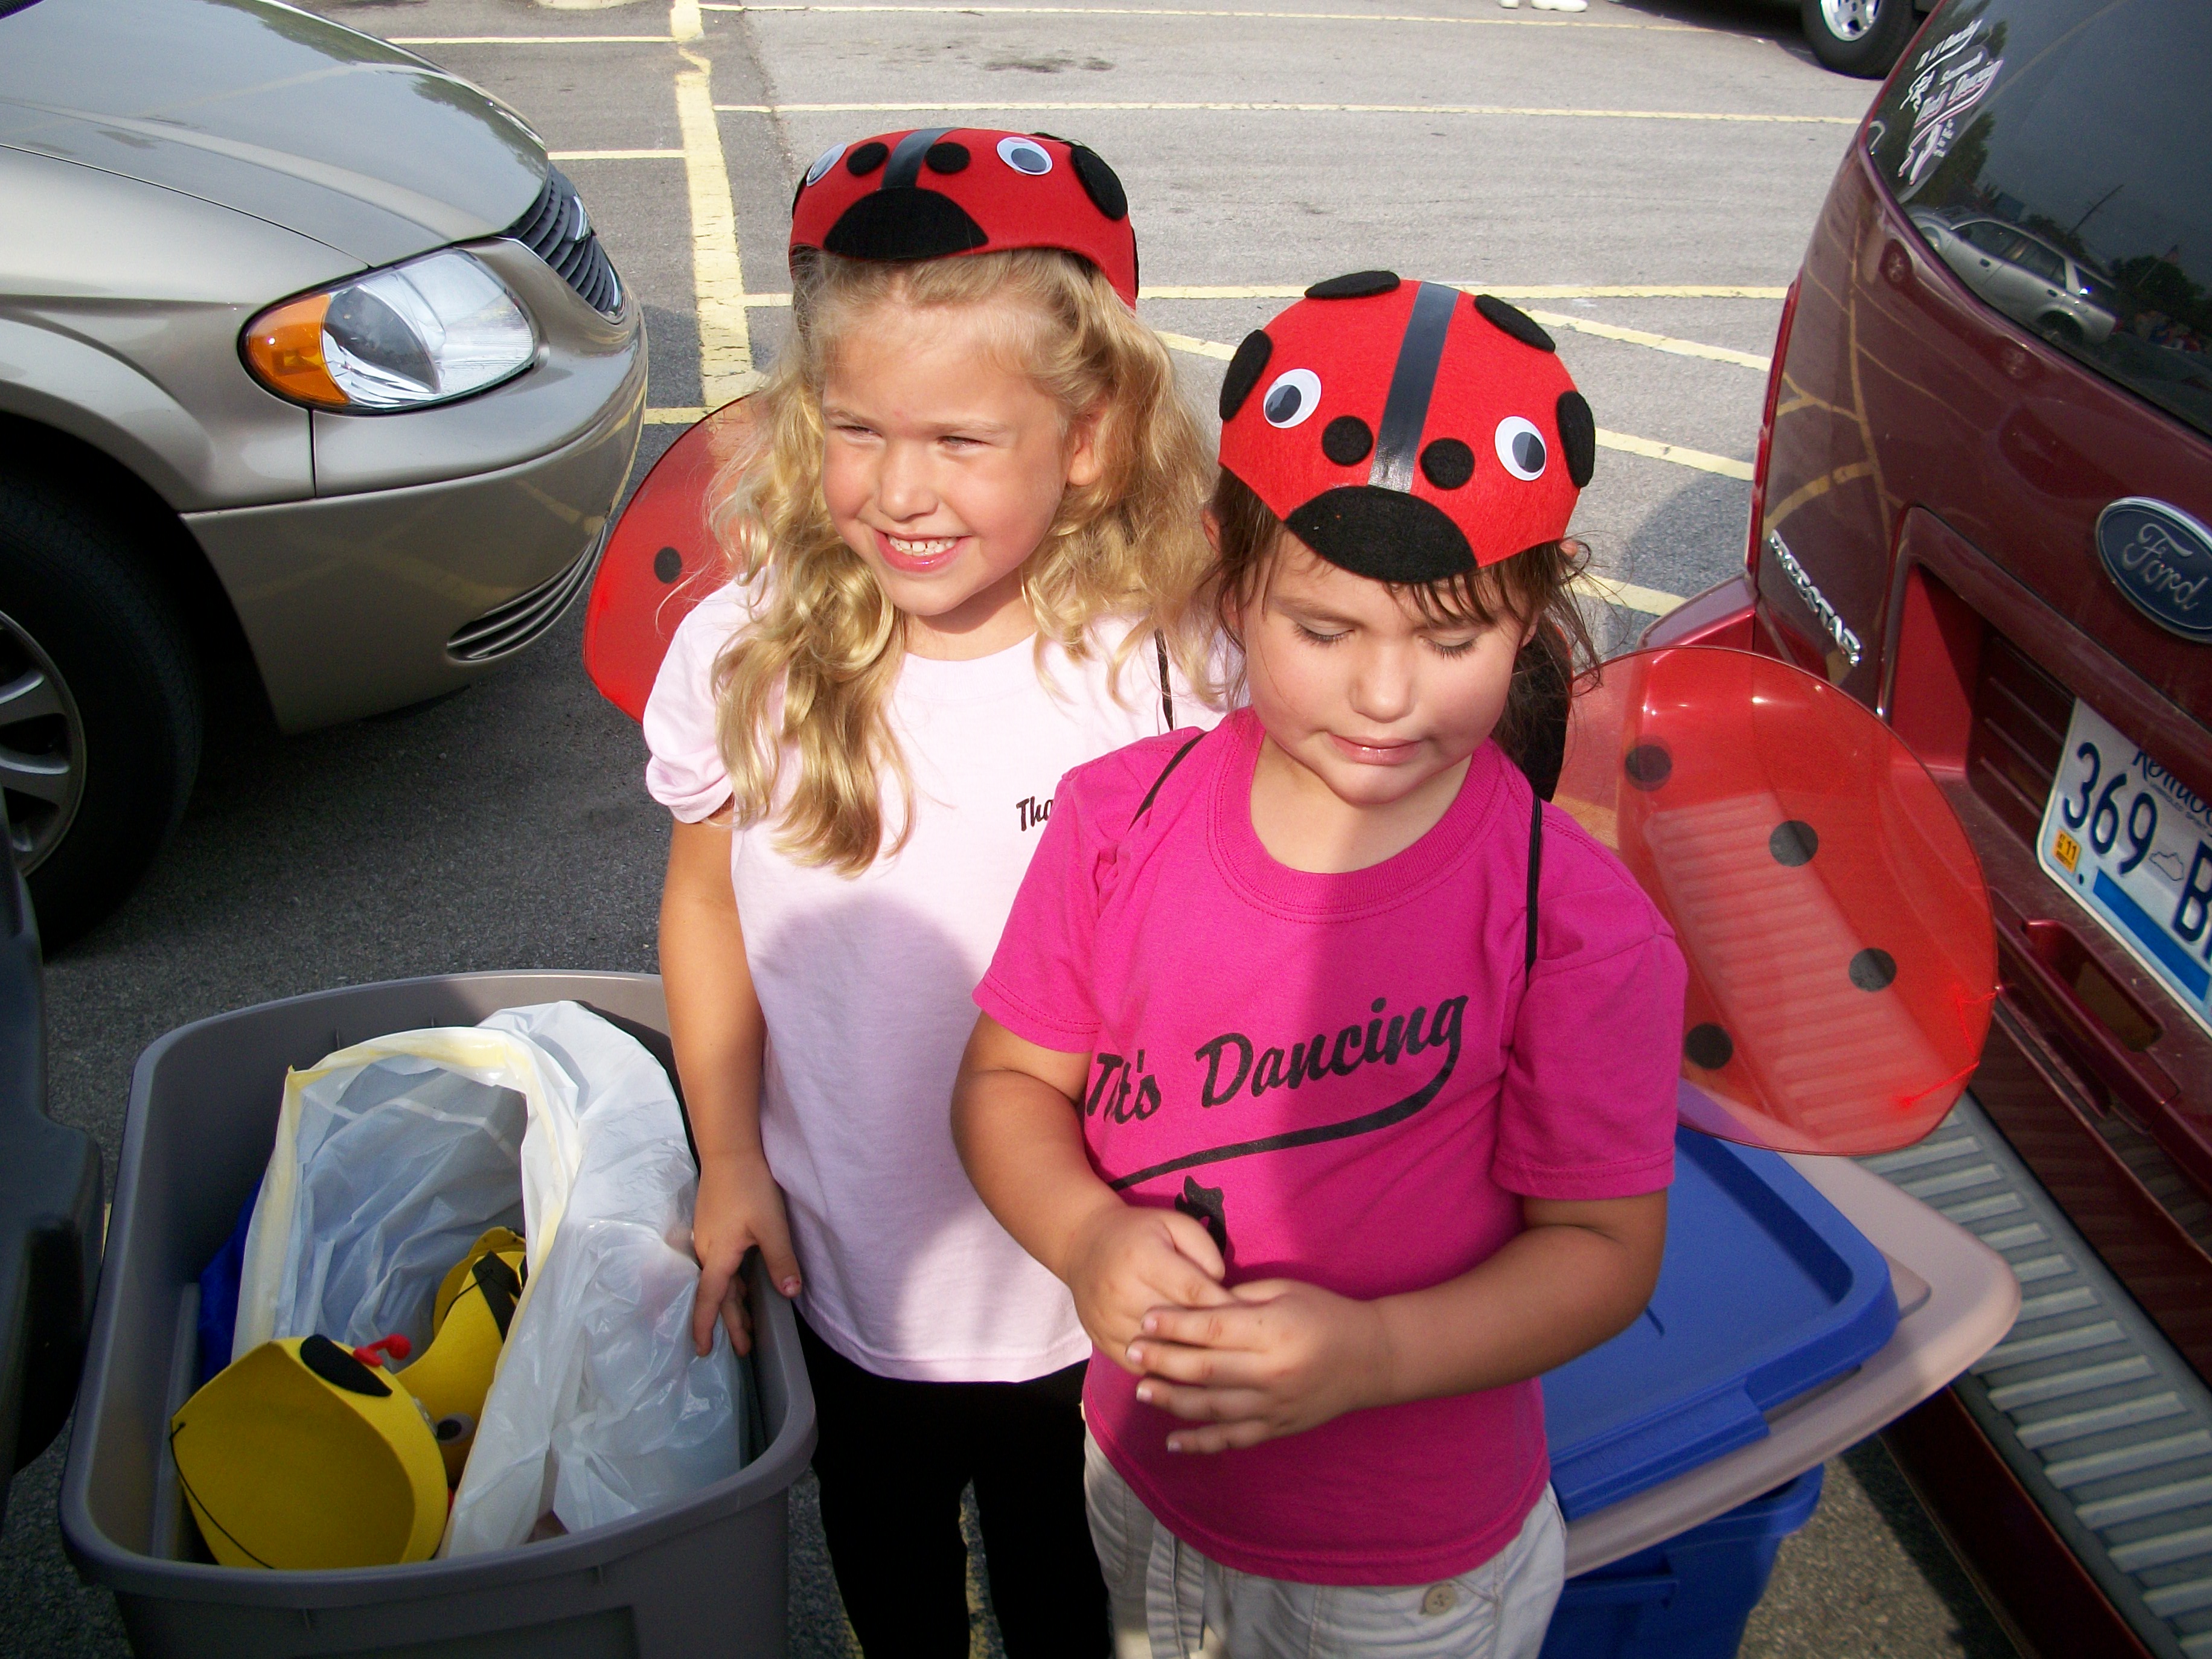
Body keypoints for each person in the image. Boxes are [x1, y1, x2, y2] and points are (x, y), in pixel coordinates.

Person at [952, 273, 1685, 1658]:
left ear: (1531, 612)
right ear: (1229, 579)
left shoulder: (1574, 927)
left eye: (1452, 638)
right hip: (1143, 1479)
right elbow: (1006, 1084)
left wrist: (1374, 1355)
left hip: (1401, 1566)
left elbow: (1601, 1252)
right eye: (1323, 628)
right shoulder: (1117, 823)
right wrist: (1084, 1234)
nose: (1385, 695)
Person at [642, 128, 1218, 1657]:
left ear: (1087, 438)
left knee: (1068, 1599)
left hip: (1088, 1292)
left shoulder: (1170, 665)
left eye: (960, 440)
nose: (898, 490)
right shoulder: (743, 651)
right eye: (855, 429)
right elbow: (706, 907)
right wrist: (725, 1155)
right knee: (888, 1579)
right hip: (848, 1268)